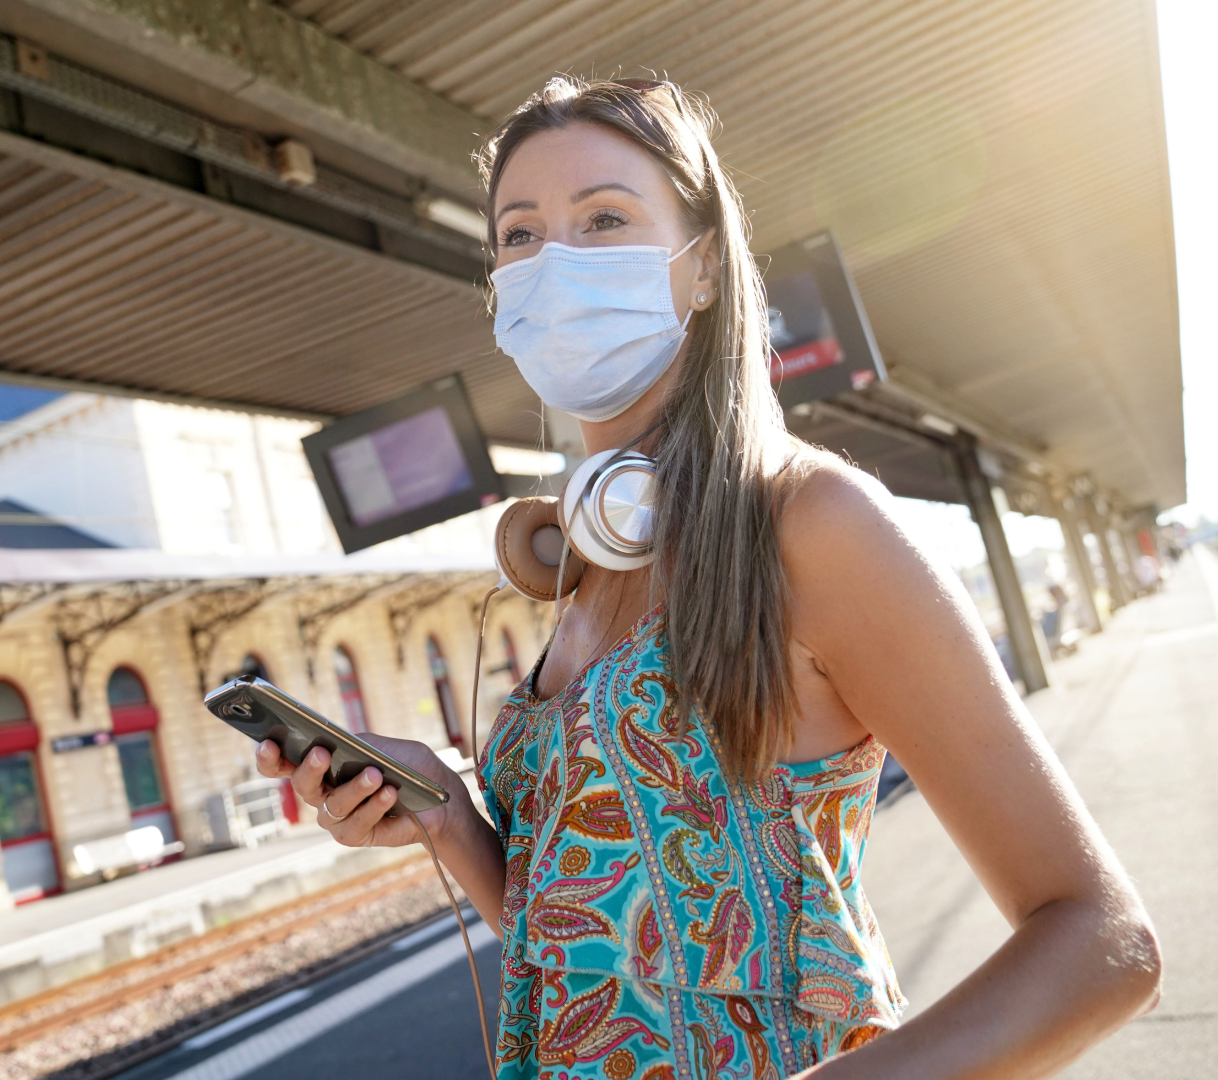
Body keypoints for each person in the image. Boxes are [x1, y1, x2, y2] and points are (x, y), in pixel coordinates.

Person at [258, 76, 1160, 1079]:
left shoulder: (810, 523)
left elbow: (1101, 943)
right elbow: (603, 968)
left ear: (702, 269)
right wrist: (452, 821)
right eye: (519, 236)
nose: (554, 264)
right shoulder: (590, 569)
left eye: (604, 218)